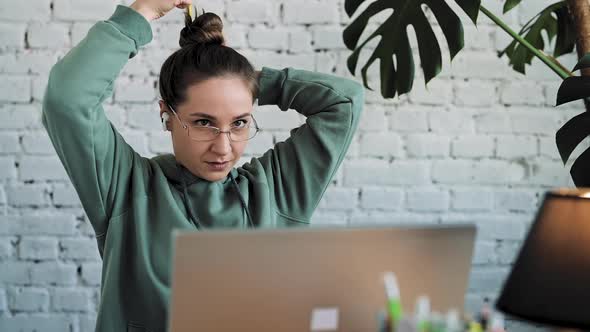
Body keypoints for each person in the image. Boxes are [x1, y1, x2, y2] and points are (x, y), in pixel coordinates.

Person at [42, 0, 364, 330]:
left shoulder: (277, 192)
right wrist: (143, 12)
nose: (224, 148)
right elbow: (67, 99)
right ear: (167, 114)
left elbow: (344, 102)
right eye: (204, 123)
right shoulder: (124, 188)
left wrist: (241, 80)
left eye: (239, 123)